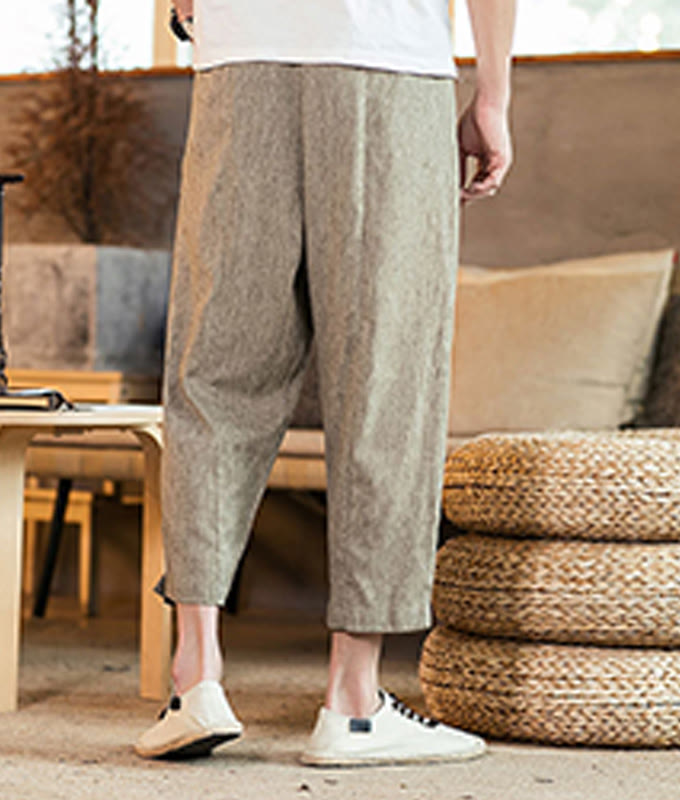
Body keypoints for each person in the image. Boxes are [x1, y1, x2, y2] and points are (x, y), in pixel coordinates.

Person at [135, 0, 516, 766]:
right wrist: (494, 96)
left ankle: (195, 677)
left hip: (239, 61)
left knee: (217, 371)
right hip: (386, 58)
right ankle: (353, 702)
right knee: (383, 378)